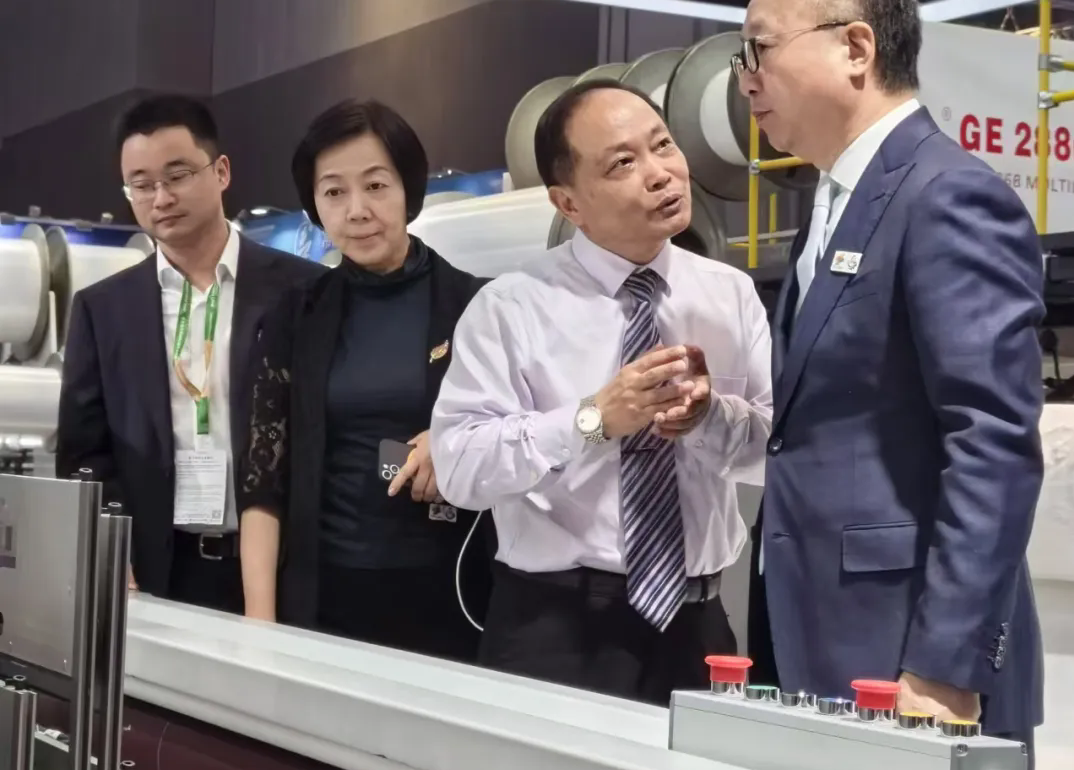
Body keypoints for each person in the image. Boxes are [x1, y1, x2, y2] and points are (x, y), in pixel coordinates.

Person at [737, 0, 1044, 754]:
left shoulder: (947, 195)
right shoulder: (834, 200)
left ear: (856, 47)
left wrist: (945, 664)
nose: (746, 78)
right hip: (817, 632)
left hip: (911, 660)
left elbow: (993, 441)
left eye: (760, 48)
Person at [430, 81, 772, 703]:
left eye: (662, 145)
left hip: (698, 625)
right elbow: (459, 469)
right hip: (558, 627)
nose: (660, 173)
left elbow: (771, 456)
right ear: (568, 202)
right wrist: (593, 419)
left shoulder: (730, 294)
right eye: (622, 163)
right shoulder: (510, 306)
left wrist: (709, 418)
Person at [238, 100, 489, 657]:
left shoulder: (476, 305)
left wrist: (456, 443)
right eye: (334, 192)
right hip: (322, 595)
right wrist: (259, 627)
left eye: (376, 185)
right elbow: (263, 482)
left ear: (408, 188)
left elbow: (527, 435)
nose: (357, 210)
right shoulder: (295, 314)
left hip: (448, 595)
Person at [57, 95, 322, 611]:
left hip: (280, 568)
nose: (161, 197)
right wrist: (112, 552)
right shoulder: (102, 310)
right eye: (141, 184)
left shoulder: (303, 289)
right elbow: (84, 454)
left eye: (177, 175)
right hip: (157, 570)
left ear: (221, 172)